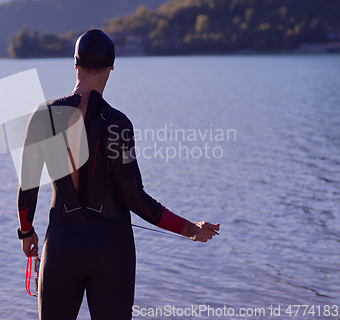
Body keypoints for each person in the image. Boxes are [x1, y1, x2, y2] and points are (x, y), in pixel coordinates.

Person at [16, 29, 220, 320]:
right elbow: (134, 198)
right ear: (112, 67)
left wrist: (26, 231)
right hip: (111, 251)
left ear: (75, 64)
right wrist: (190, 229)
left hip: (61, 245)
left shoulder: (42, 115)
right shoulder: (117, 124)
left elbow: (27, 188)